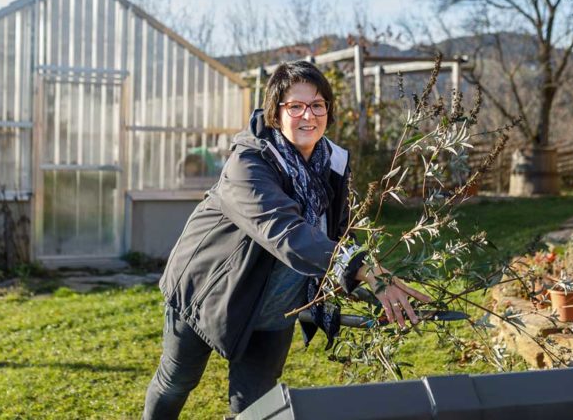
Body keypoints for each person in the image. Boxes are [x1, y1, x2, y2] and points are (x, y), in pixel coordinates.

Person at [142, 61, 429, 419]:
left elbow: (335, 233)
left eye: (317, 105)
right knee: (177, 381)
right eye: (295, 106)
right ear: (276, 113)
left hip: (278, 303)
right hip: (210, 290)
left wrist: (372, 290)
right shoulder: (248, 163)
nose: (308, 115)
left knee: (255, 406)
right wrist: (362, 269)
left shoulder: (333, 162)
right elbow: (285, 230)